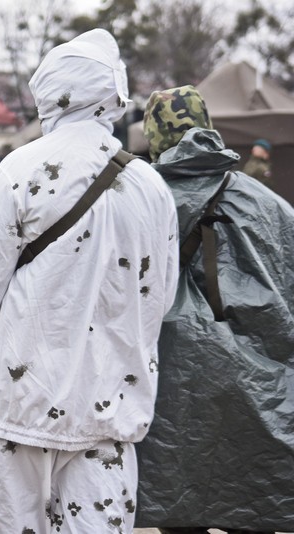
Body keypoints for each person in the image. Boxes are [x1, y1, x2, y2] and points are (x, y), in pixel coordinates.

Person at [0, 29, 179, 533]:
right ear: (114, 93)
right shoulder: (151, 185)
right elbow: (158, 296)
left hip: (16, 406)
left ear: (50, 92)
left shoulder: (19, 171)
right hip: (107, 411)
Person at [136, 86, 294, 533]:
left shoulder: (142, 200)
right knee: (253, 503)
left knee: (180, 510)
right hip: (262, 392)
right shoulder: (269, 204)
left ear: (154, 136)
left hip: (172, 390)